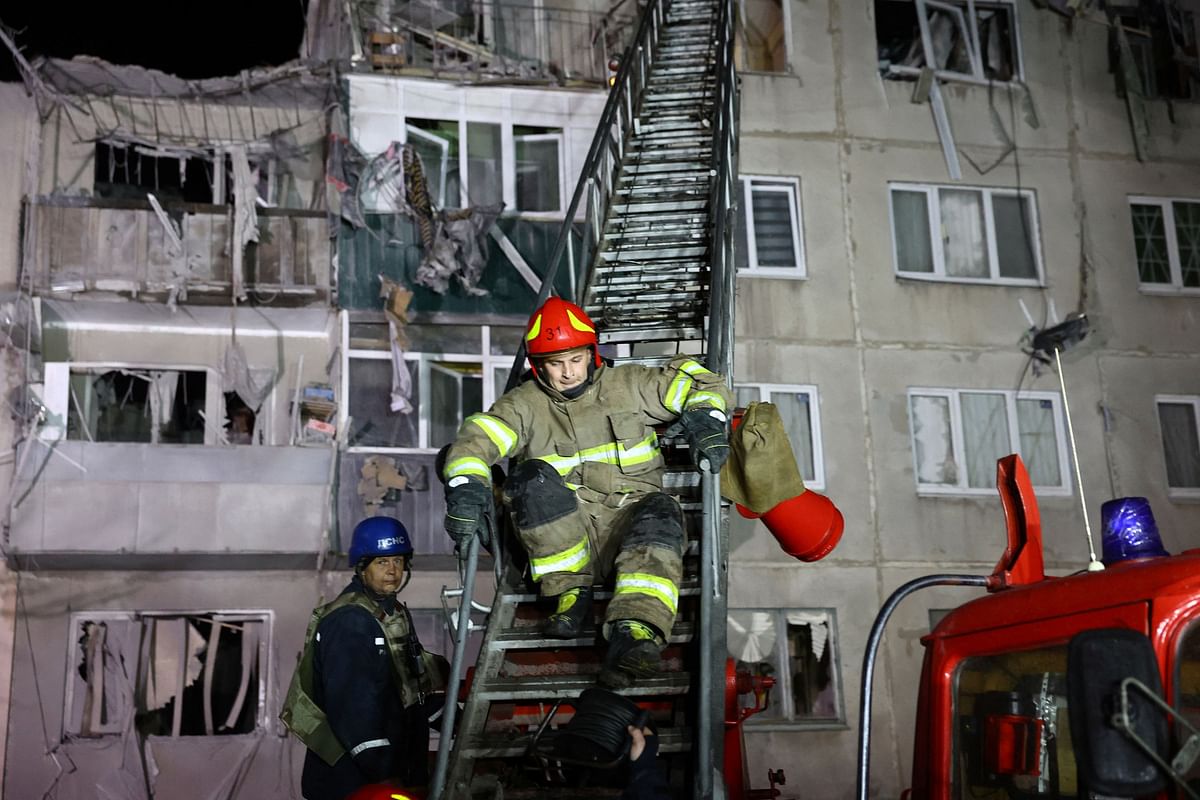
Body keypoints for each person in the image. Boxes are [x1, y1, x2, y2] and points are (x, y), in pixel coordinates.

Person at [441, 296, 731, 688]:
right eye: (555, 364)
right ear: (537, 366)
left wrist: (706, 417)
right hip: (564, 541)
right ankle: (568, 595)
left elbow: (702, 384)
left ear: (591, 353)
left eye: (575, 360)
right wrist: (466, 487)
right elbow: (477, 439)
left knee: (663, 508)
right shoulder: (524, 405)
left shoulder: (630, 386)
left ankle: (635, 633)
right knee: (528, 477)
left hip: (630, 529)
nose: (567, 373)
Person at [282, 517, 447, 800]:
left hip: (387, 775)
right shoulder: (349, 621)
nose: (393, 571)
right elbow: (353, 708)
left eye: (398, 560)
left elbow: (411, 685)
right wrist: (384, 772)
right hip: (353, 781)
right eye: (382, 562)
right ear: (362, 567)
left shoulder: (391, 614)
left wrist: (455, 719)